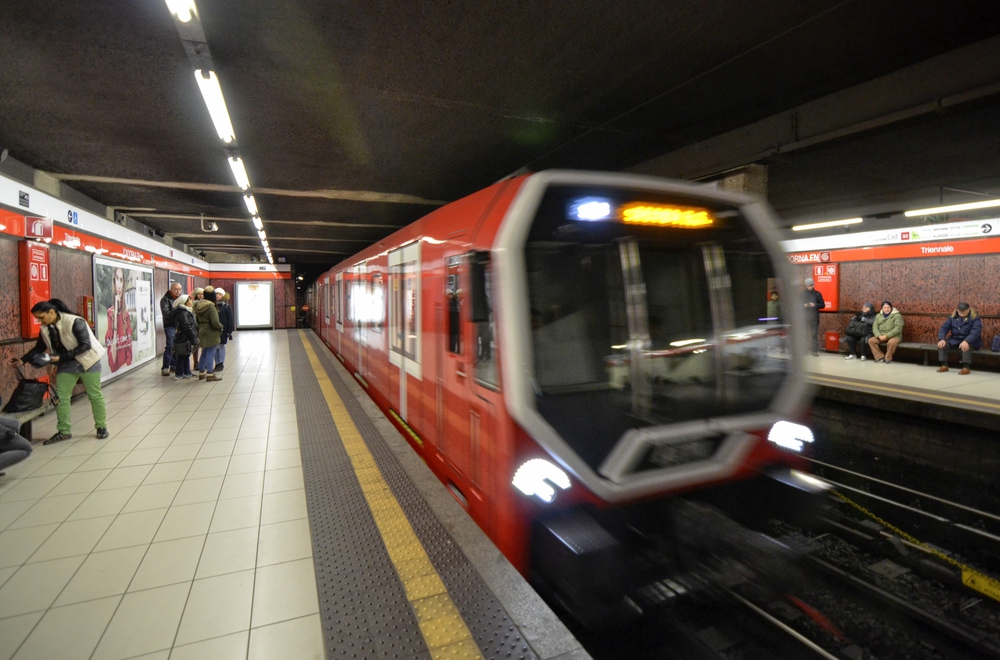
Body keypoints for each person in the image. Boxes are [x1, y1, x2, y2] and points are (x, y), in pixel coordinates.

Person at [8, 299, 109, 444]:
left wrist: (60, 357)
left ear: (51, 312)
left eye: (41, 317)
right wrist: (22, 360)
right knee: (61, 398)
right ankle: (64, 431)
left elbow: (85, 345)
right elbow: (39, 348)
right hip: (66, 364)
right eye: (37, 318)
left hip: (88, 361)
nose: (39, 320)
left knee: (94, 395)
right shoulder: (45, 328)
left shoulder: (75, 321)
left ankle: (101, 427)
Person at [936, 302, 982, 375]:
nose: (962, 312)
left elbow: (975, 332)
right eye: (960, 311)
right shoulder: (952, 317)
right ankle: (944, 365)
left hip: (971, 341)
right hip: (955, 339)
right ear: (957, 310)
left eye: (964, 311)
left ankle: (966, 367)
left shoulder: (975, 318)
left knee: (966, 346)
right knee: (943, 345)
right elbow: (943, 328)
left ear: (968, 310)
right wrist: (941, 339)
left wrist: (967, 341)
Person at [105, 266, 133, 372]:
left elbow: (129, 357)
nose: (119, 285)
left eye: (121, 280)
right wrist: (115, 315)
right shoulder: (110, 313)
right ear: (114, 282)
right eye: (117, 279)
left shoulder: (126, 315)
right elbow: (112, 362)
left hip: (125, 371)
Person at [194, 289, 224, 381]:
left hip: (202, 331)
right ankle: (210, 373)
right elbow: (215, 322)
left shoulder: (198, 305)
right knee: (211, 353)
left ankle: (202, 372)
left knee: (204, 352)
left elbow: (197, 321)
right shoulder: (211, 307)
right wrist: (221, 327)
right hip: (211, 332)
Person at [171, 295, 198, 380]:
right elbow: (187, 326)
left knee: (186, 355)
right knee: (182, 356)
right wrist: (193, 336)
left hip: (184, 336)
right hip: (184, 336)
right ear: (185, 302)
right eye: (190, 300)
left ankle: (187, 372)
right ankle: (179, 373)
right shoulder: (184, 313)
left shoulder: (185, 311)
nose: (192, 302)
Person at [160, 282, 182, 376]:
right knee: (170, 345)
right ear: (171, 289)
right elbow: (166, 313)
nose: (178, 291)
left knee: (177, 346)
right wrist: (177, 311)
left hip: (179, 325)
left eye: (179, 289)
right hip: (170, 325)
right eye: (176, 289)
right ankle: (165, 367)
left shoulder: (181, 299)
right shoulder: (165, 299)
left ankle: (174, 366)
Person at [801, 278, 825, 355]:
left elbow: (823, 305)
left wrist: (815, 305)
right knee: (804, 334)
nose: (809, 287)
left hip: (814, 317)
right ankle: (804, 350)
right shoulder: (802, 294)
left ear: (813, 285)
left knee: (814, 334)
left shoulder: (817, 294)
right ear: (806, 286)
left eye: (811, 285)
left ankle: (814, 351)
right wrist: (803, 305)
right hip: (805, 317)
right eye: (808, 286)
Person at [215, 289, 234, 372]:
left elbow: (230, 319)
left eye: (220, 294)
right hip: (214, 329)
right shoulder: (212, 305)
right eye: (216, 294)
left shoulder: (226, 306)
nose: (218, 296)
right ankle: (217, 363)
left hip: (223, 329)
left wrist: (229, 331)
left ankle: (221, 363)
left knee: (221, 346)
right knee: (215, 347)